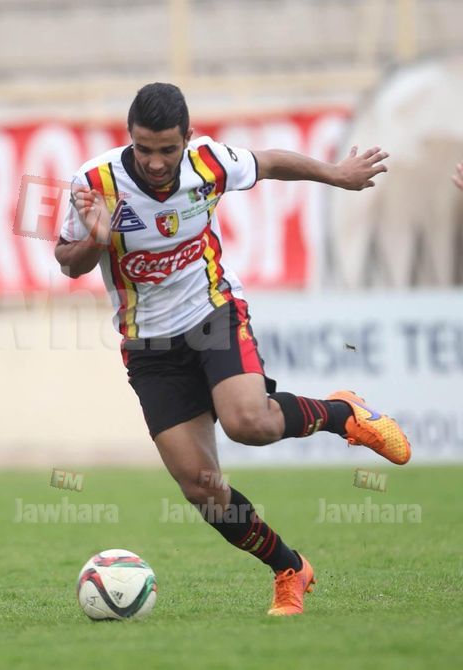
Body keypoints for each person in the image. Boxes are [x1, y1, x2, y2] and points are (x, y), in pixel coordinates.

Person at [55, 82, 411, 616]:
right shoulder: (94, 181)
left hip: (212, 313)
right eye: (144, 148)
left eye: (167, 149)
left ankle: (344, 414)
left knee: (250, 423)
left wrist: (336, 174)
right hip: (149, 346)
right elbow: (68, 263)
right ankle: (289, 568)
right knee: (202, 488)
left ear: (188, 137)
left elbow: (270, 162)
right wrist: (96, 239)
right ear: (129, 137)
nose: (156, 162)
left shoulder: (210, 162)